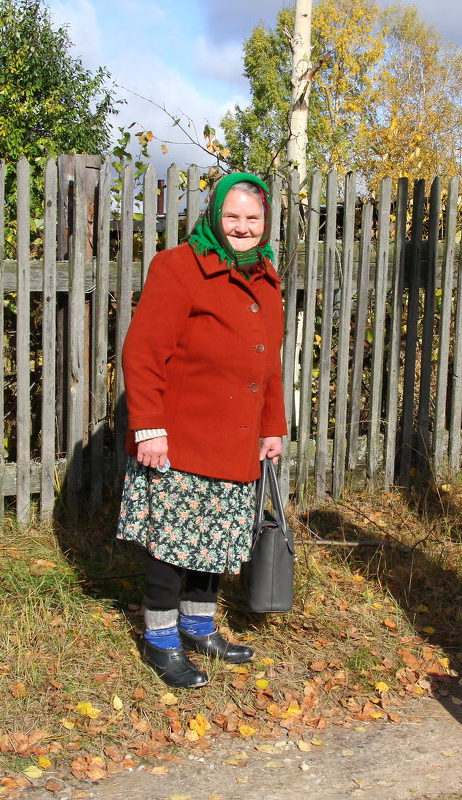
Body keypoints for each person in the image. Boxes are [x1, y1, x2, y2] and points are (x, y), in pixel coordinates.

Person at [117, 172, 286, 689]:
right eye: (232, 216)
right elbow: (143, 353)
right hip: (182, 437)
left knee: (215, 539)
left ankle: (198, 626)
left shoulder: (266, 276)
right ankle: (161, 638)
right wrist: (148, 428)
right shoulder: (179, 267)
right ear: (215, 216)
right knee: (173, 543)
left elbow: (269, 363)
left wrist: (272, 427)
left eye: (252, 218)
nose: (241, 227)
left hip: (236, 439)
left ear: (265, 223)